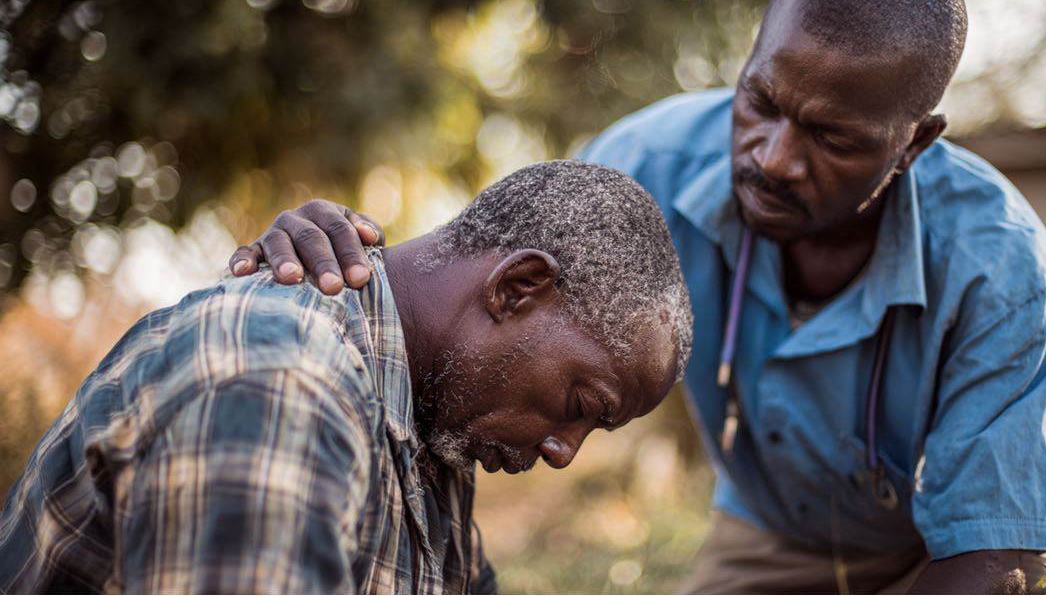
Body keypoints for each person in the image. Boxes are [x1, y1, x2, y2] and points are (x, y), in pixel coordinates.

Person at [226, 0, 1046, 593]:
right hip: (772, 525)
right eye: (761, 101)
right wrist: (336, 251)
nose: (775, 157)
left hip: (950, 543)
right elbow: (471, 280)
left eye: (831, 136)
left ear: (914, 144)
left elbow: (996, 555)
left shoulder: (997, 266)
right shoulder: (646, 167)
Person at [0, 161, 693, 594]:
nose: (564, 452)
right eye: (581, 404)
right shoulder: (278, 380)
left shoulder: (434, 425)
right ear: (518, 288)